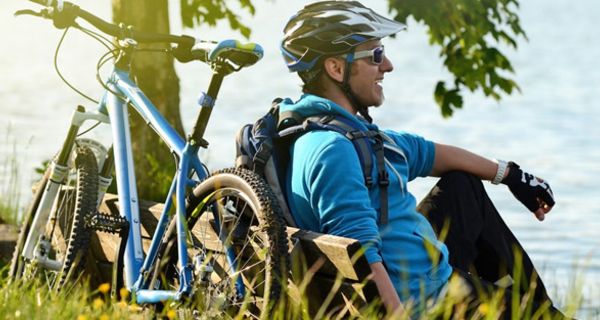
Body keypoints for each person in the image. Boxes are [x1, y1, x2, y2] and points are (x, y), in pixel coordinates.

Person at [278, 0, 567, 318]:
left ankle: (536, 306)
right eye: (375, 55)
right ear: (336, 68)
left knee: (462, 184)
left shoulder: (332, 131)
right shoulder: (334, 151)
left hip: (414, 267)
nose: (388, 65)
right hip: (424, 300)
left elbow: (429, 153)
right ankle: (540, 312)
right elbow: (363, 254)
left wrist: (512, 176)